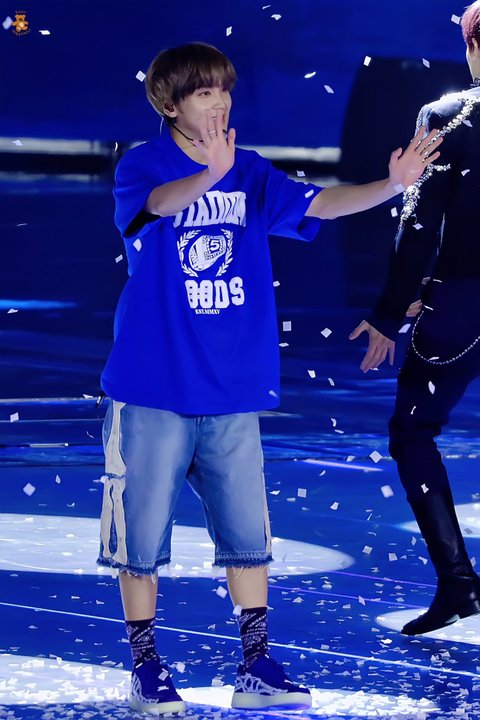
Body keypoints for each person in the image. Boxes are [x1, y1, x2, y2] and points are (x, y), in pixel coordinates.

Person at [97, 41, 440, 714]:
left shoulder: (249, 171)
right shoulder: (141, 166)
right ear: (170, 103)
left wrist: (391, 186)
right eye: (204, 92)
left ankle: (256, 663)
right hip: (151, 388)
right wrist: (210, 175)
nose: (219, 102)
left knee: (248, 536)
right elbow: (157, 207)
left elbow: (320, 205)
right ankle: (146, 667)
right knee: (139, 539)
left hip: (232, 390)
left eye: (224, 89)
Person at [350, 2, 480, 636]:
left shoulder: (448, 117)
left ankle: (458, 582)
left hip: (462, 306)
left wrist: (389, 311)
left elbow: (420, 223)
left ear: (473, 47)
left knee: (413, 432)